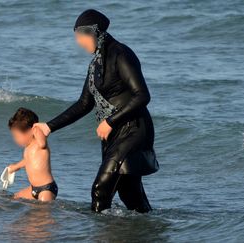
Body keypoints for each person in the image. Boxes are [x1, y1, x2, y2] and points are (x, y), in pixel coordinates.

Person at [34, 9, 157, 213]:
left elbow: (142, 95)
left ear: (94, 32)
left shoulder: (121, 54)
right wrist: (49, 127)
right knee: (130, 195)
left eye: (80, 36)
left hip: (134, 130)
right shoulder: (95, 64)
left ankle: (97, 234)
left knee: (101, 189)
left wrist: (110, 121)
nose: (79, 42)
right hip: (114, 134)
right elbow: (84, 104)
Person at [7, 107, 58, 202]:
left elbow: (43, 144)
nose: (15, 139)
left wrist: (36, 129)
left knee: (42, 212)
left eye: (17, 136)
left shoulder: (39, 142)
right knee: (14, 198)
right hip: (33, 189)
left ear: (30, 131)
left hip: (46, 189)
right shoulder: (28, 148)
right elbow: (28, 161)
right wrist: (15, 167)